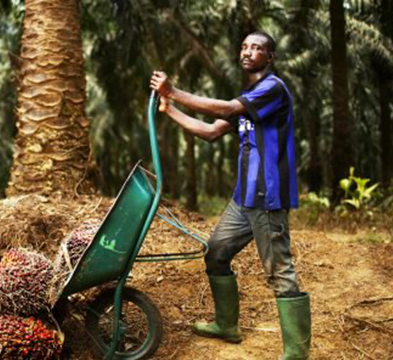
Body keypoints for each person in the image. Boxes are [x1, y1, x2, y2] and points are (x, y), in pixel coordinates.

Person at [149, 31, 311, 360]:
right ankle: (227, 325)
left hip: (267, 197)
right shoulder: (250, 96)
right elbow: (210, 131)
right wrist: (169, 109)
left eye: (258, 48)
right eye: (245, 46)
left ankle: (297, 352)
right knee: (217, 252)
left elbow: (224, 108)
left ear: (270, 57)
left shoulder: (272, 89)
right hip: (244, 198)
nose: (249, 52)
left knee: (279, 270)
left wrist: (174, 91)